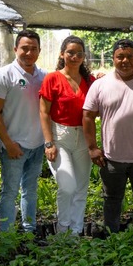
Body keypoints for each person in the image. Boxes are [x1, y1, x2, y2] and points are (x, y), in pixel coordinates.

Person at [83, 39, 133, 235]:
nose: (125, 60)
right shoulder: (100, 85)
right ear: (113, 59)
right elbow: (88, 116)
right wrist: (92, 147)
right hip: (111, 158)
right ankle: (111, 235)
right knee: (111, 198)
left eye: (130, 56)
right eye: (120, 56)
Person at [0, 30, 46, 233]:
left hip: (37, 145)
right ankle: (6, 235)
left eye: (33, 49)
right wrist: (8, 143)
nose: (29, 53)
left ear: (39, 51)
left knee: (30, 191)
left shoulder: (44, 77)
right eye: (24, 48)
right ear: (15, 49)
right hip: (14, 145)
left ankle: (29, 232)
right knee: (10, 191)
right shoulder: (4, 75)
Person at [39, 35, 95, 235]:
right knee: (68, 186)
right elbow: (44, 112)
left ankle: (76, 233)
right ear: (62, 54)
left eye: (80, 53)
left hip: (84, 136)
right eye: (70, 52)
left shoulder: (90, 81)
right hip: (60, 136)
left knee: (81, 188)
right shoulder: (52, 78)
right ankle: (62, 231)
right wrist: (49, 143)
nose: (75, 56)